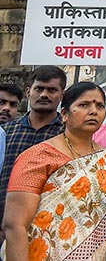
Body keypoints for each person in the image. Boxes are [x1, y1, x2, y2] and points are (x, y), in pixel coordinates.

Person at [3, 82, 106, 260]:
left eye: (99, 106)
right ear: (64, 114)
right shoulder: (38, 156)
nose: (93, 111)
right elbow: (15, 225)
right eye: (83, 105)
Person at [0, 66, 65, 234]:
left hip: (49, 228)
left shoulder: (67, 135)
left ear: (62, 95)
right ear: (28, 92)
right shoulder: (6, 132)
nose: (44, 95)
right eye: (39, 89)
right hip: (3, 221)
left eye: (52, 90)